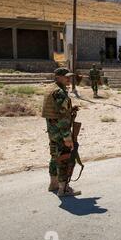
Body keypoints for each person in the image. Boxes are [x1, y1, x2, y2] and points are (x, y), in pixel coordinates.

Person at [42, 68, 81, 197]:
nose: (69, 79)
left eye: (70, 77)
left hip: (52, 131)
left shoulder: (50, 88)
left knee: (54, 156)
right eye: (66, 77)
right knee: (64, 158)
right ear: (58, 77)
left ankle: (53, 184)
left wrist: (71, 110)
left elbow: (55, 111)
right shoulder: (60, 92)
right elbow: (62, 117)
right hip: (60, 130)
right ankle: (63, 189)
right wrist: (67, 137)